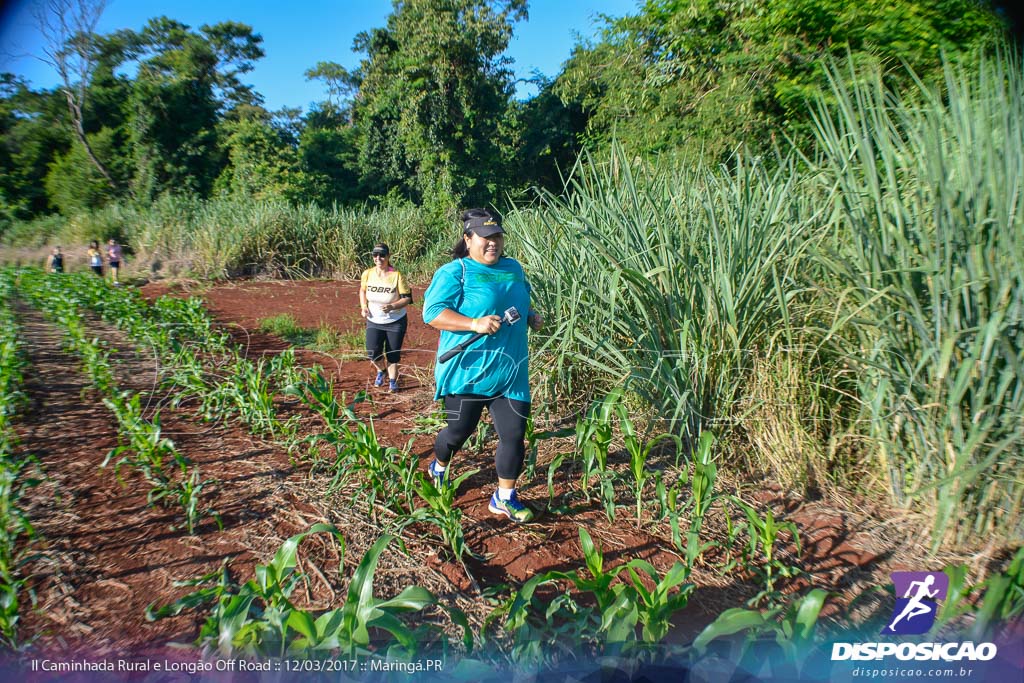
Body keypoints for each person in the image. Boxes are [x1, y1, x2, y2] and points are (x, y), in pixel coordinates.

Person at [422, 208, 544, 523]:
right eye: (486, 238)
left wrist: (531, 317)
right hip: (468, 372)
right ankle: (439, 465)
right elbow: (432, 313)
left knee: (514, 434)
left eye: (497, 237)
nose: (493, 243)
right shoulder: (455, 271)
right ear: (468, 239)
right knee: (458, 432)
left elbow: (521, 299)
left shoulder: (513, 268)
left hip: (511, 371)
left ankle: (504, 498)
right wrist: (474, 323)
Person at [359, 243, 413, 392]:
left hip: (395, 321)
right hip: (374, 320)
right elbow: (362, 291)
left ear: (388, 257)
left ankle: (393, 381)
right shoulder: (367, 273)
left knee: (392, 353)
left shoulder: (396, 275)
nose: (378, 258)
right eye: (375, 255)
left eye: (382, 255)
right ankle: (381, 371)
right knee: (372, 351)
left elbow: (407, 298)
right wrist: (364, 306)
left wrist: (392, 306)